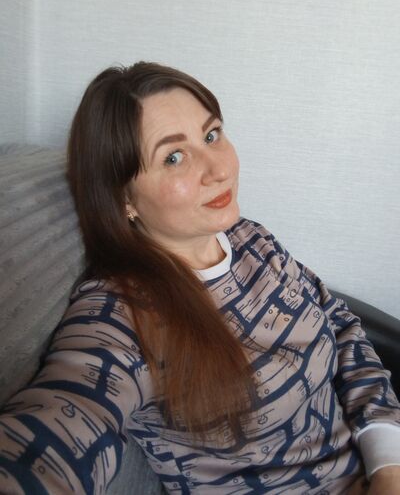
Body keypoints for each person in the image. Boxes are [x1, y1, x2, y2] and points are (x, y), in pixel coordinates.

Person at [0, 62, 399, 495]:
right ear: (123, 199)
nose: (218, 169)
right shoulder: (121, 316)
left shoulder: (251, 239)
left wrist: (387, 463)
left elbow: (339, 324)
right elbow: (62, 425)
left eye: (211, 135)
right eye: (174, 157)